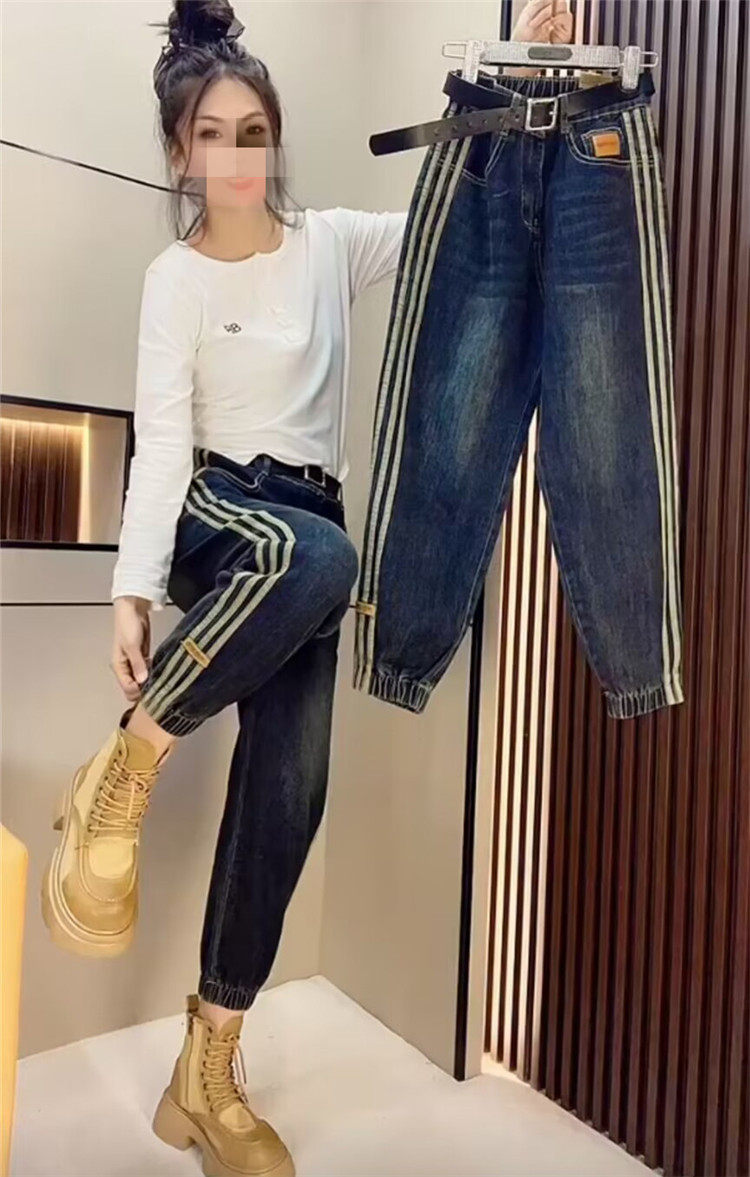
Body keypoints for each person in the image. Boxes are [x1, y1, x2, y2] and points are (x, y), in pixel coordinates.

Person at [40, 2, 569, 1174]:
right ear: (180, 152)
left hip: (304, 540)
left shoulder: (330, 244)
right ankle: (125, 768)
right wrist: (132, 593)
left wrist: (515, 74)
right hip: (216, 512)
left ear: (274, 138)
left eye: (254, 131)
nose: (238, 156)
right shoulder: (174, 278)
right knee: (321, 556)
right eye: (213, 135)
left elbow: (455, 221)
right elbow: (160, 448)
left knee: (291, 789)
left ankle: (205, 1071)